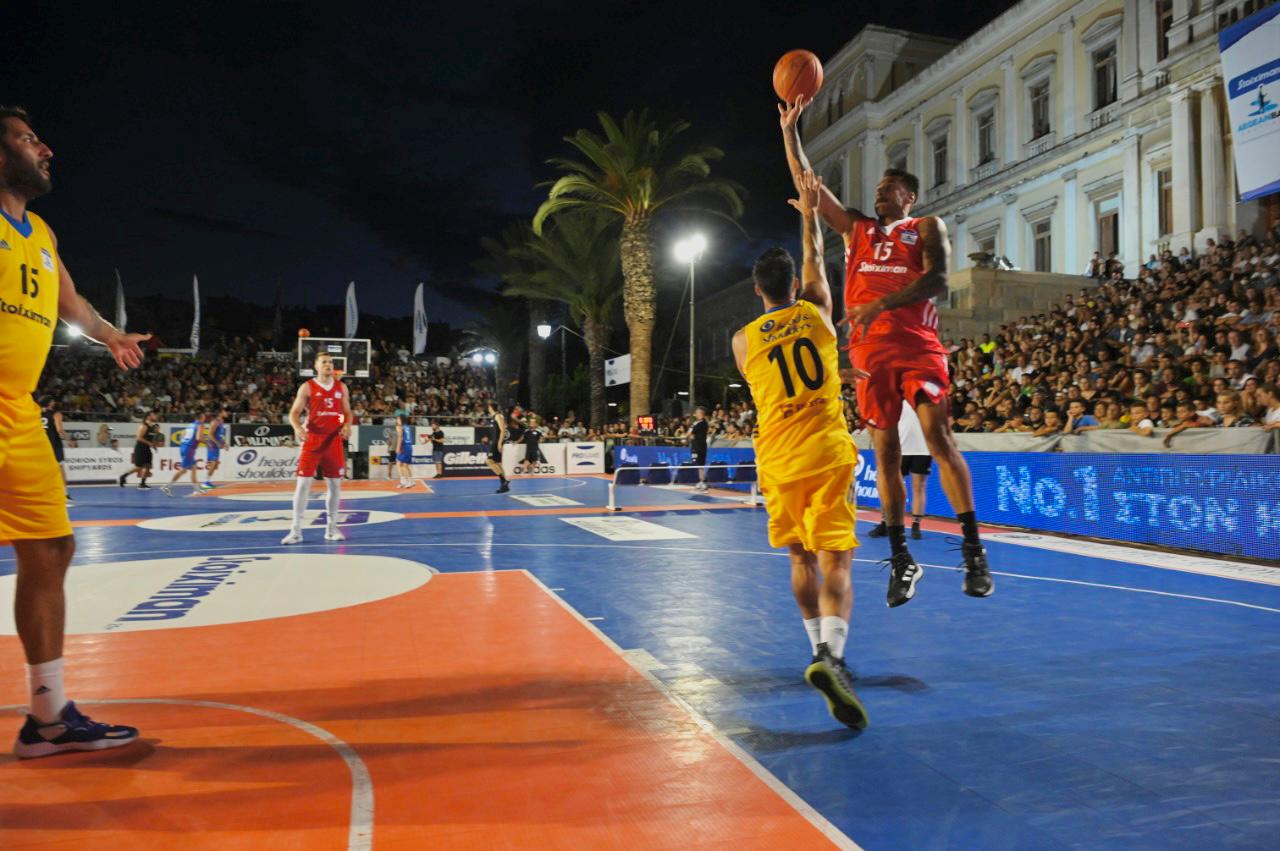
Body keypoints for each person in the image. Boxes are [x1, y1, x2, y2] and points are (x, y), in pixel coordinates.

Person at [780, 95, 993, 608]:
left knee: (939, 438)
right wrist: (791, 132)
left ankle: (973, 551)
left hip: (918, 346)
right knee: (885, 454)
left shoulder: (924, 228)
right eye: (876, 190)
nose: (880, 194)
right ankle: (901, 559)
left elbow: (939, 279)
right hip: (870, 354)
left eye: (889, 189)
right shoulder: (857, 230)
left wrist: (881, 305)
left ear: (909, 197)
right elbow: (809, 185)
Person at [1, 104, 147, 757]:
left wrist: (110, 333)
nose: (46, 148)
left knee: (51, 549)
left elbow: (70, 302)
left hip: (15, 412)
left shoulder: (40, 233)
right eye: (28, 139)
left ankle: (49, 714)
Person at [732, 169, 867, 729]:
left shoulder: (741, 341)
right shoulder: (816, 312)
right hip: (828, 451)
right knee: (836, 555)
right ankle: (832, 656)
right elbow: (815, 263)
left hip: (778, 458)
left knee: (799, 557)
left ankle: (814, 649)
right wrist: (808, 213)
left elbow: (768, 363)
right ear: (795, 285)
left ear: (757, 290)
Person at [282, 352, 353, 544]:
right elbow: (294, 413)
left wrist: (346, 425)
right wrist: (297, 427)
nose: (328, 365)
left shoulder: (341, 387)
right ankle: (296, 530)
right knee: (303, 484)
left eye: (330, 362)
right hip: (312, 439)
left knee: (335, 485)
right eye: (324, 362)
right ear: (316, 366)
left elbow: (347, 413)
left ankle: (331, 529)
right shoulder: (307, 387)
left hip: (333, 440)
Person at [868, 403, 931, 540]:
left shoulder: (924, 398)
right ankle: (885, 522)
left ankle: (916, 525)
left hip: (923, 449)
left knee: (918, 487)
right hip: (899, 448)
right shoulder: (896, 397)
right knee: (888, 484)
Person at [161, 411, 206, 496]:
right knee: (183, 470)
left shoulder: (191, 424)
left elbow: (182, 434)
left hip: (184, 447)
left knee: (193, 468)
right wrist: (208, 442)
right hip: (189, 448)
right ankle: (167, 486)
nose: (205, 418)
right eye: (204, 416)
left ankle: (197, 488)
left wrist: (184, 443)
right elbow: (198, 438)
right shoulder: (200, 425)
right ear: (201, 417)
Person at [38, 396, 70, 503]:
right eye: (53, 401)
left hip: (41, 444)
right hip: (54, 444)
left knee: (42, 470)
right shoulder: (56, 413)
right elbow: (60, 429)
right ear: (50, 403)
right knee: (60, 468)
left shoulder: (36, 413)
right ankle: (65, 494)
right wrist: (69, 440)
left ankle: (42, 493)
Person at [120, 412, 162, 488]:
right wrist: (149, 443)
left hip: (147, 448)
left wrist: (153, 445)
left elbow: (149, 439)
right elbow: (138, 438)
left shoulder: (151, 427)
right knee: (139, 467)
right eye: (153, 414)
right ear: (148, 416)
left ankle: (142, 483)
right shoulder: (144, 426)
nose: (155, 416)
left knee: (148, 465)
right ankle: (123, 476)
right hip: (140, 448)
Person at [484, 401, 510, 493]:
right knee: (498, 463)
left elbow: (503, 430)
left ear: (491, 407)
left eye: (489, 407)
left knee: (489, 461)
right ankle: (504, 486)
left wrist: (499, 443)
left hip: (497, 442)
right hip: (494, 441)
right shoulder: (493, 417)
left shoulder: (498, 416)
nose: (488, 408)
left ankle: (504, 481)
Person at [201, 407, 228, 490]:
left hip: (216, 445)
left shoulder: (221, 422)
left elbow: (220, 435)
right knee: (213, 463)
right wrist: (217, 443)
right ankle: (205, 482)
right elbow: (209, 434)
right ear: (220, 413)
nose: (227, 413)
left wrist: (224, 443)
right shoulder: (215, 422)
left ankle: (207, 482)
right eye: (225, 411)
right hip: (212, 445)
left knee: (215, 464)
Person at [689, 406, 709, 491]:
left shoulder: (702, 423)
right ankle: (701, 481)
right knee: (699, 465)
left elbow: (690, 434)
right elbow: (691, 435)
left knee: (701, 464)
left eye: (696, 412)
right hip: (696, 447)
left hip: (700, 447)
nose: (695, 414)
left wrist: (692, 435)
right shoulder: (697, 423)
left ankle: (703, 482)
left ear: (701, 413)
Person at [393, 413, 416, 488]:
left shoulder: (400, 427)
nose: (397, 420)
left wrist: (397, 448)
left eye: (398, 419)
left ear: (401, 420)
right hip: (409, 446)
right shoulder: (407, 427)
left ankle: (408, 481)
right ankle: (407, 481)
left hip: (404, 447)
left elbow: (400, 438)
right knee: (401, 464)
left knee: (403, 465)